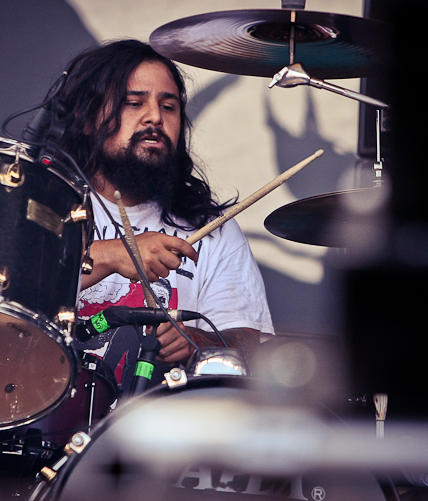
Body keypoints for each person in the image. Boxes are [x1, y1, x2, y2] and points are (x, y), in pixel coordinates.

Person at [55, 39, 273, 389]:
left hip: (161, 430)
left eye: (168, 107)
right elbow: (5, 292)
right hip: (39, 419)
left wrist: (195, 342)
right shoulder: (47, 204)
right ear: (85, 118)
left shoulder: (211, 229)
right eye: (134, 103)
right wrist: (114, 254)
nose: (155, 117)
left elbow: (247, 346)